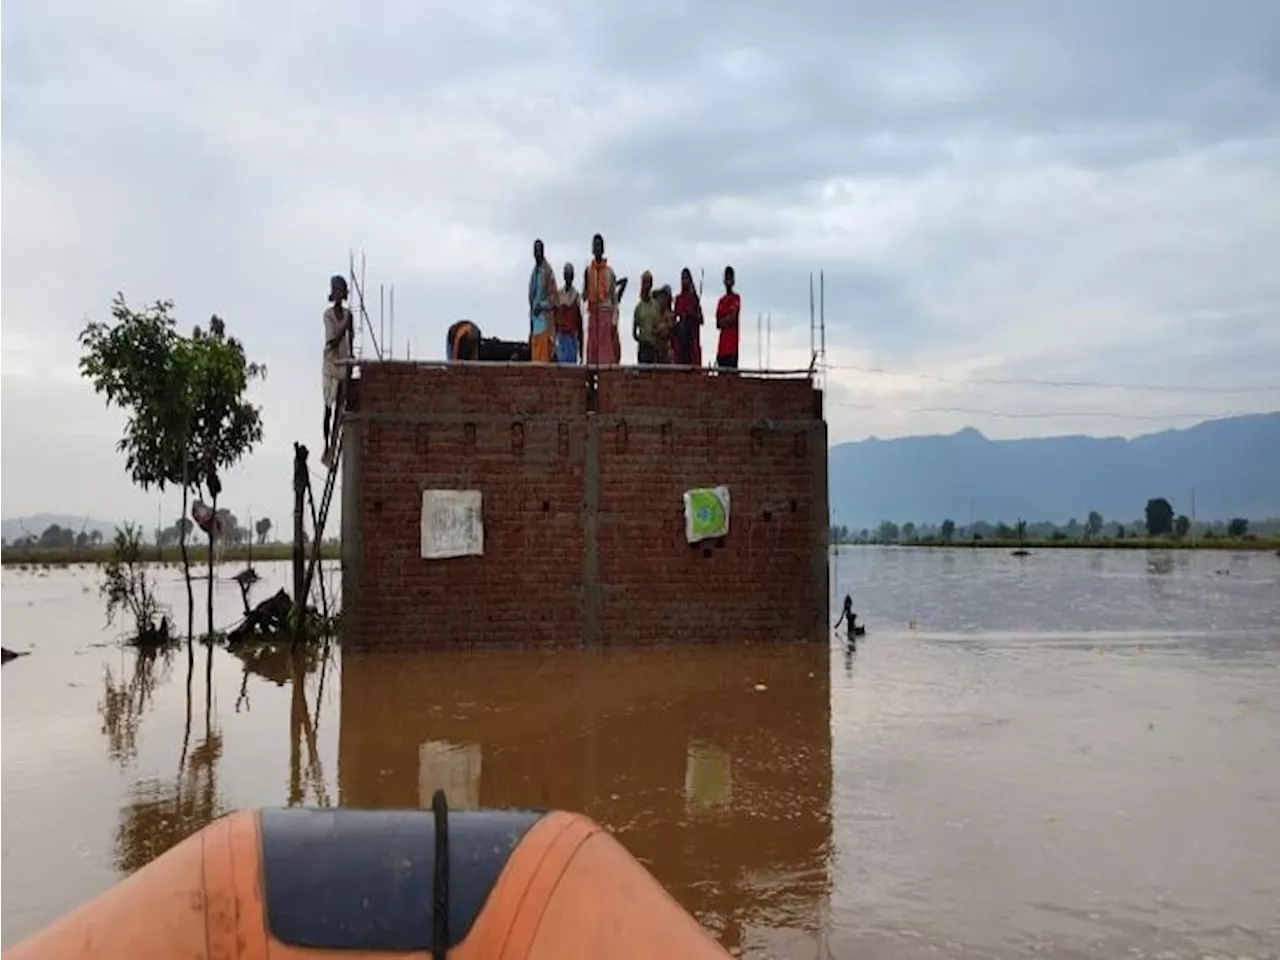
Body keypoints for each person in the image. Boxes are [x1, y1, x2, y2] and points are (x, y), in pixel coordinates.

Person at [322, 274, 353, 468]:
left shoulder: (349, 314)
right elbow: (331, 341)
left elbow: (351, 340)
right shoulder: (328, 315)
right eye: (336, 290)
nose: (339, 293)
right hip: (330, 362)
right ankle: (327, 447)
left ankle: (334, 447)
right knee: (328, 407)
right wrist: (344, 329)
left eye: (342, 290)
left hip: (343, 362)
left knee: (341, 408)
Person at [584, 233, 619, 364]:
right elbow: (584, 295)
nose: (597, 248)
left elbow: (614, 299)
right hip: (593, 313)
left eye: (599, 246)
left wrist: (614, 320)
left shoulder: (610, 272)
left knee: (605, 351)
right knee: (592, 349)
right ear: (592, 249)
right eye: (595, 246)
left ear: (603, 249)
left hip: (605, 313)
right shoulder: (588, 271)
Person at [528, 239, 558, 363]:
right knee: (535, 354)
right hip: (535, 319)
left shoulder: (548, 271)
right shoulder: (534, 273)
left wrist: (541, 305)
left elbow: (554, 296)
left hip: (545, 319)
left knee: (544, 356)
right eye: (535, 251)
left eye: (539, 250)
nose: (537, 253)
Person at [673, 267, 703, 366]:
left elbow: (701, 319)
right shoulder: (678, 299)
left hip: (692, 338)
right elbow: (675, 318)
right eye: (682, 278)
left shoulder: (694, 298)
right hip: (680, 339)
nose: (684, 281)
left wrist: (692, 314)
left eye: (686, 278)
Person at [555, 263, 584, 364]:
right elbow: (555, 317)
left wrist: (581, 347)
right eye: (566, 274)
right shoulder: (559, 294)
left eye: (570, 275)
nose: (568, 277)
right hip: (561, 335)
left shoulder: (576, 296)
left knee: (571, 366)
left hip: (572, 336)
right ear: (564, 276)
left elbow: (579, 321)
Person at [632, 271, 663, 364]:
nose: (647, 285)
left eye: (649, 282)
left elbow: (660, 324)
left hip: (655, 347)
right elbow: (634, 332)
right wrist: (641, 339)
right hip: (643, 347)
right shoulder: (638, 307)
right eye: (645, 282)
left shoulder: (655, 305)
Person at [715, 265, 741, 371]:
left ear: (733, 281)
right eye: (727, 279)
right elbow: (718, 323)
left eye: (730, 278)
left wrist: (724, 320)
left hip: (732, 347)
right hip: (722, 347)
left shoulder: (736, 298)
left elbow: (733, 317)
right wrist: (726, 320)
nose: (728, 281)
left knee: (731, 377)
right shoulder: (721, 301)